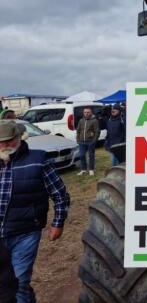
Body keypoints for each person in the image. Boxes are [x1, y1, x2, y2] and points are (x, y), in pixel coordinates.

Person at [0, 120, 70, 303]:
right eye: (0, 142)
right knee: (5, 282)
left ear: (19, 138)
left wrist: (58, 223)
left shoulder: (38, 160)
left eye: (8, 141)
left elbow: (59, 193)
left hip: (26, 232)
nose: (4, 146)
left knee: (20, 280)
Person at [76, 107, 100, 176]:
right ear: (83, 113)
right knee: (82, 155)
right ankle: (83, 169)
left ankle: (91, 169)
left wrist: (94, 141)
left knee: (91, 155)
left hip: (90, 141)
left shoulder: (94, 120)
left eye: (88, 112)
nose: (86, 113)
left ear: (91, 112)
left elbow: (97, 131)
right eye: (85, 112)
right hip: (81, 142)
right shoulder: (81, 120)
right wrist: (78, 139)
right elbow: (78, 130)